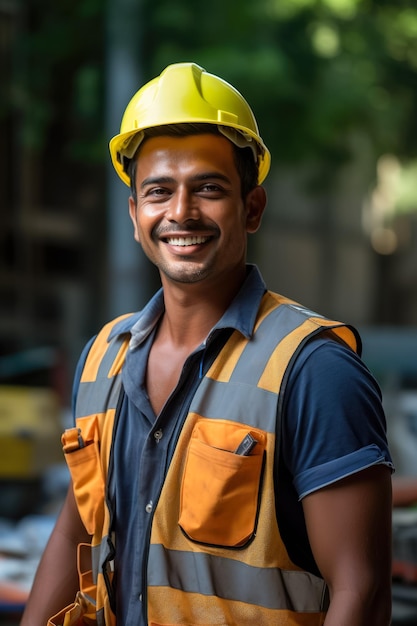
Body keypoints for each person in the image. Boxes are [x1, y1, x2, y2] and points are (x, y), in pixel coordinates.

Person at [21, 62, 393, 626]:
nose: (181, 212)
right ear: (135, 213)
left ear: (253, 207)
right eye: (158, 191)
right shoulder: (102, 358)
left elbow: (361, 593)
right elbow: (75, 530)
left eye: (209, 188)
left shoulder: (313, 370)